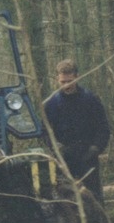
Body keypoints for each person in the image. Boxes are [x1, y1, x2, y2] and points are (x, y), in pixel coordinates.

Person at [44, 59, 110, 203]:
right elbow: (46, 132)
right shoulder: (52, 103)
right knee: (66, 200)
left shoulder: (90, 99)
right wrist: (56, 148)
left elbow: (103, 128)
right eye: (62, 82)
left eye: (70, 81)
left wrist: (95, 148)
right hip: (64, 158)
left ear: (77, 77)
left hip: (87, 156)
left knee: (93, 198)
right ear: (57, 79)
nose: (66, 85)